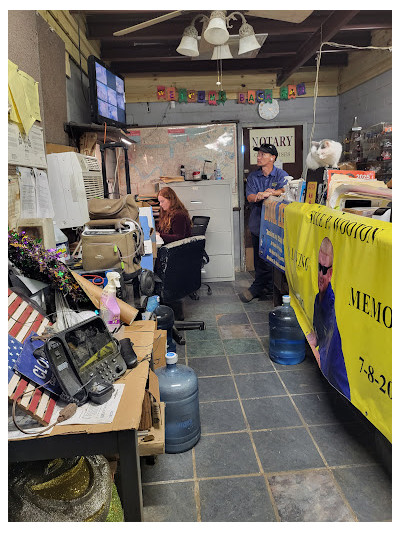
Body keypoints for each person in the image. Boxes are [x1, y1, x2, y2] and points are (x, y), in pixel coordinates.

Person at [239, 144, 288, 303]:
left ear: (272, 158)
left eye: (262, 154)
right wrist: (258, 196)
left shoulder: (281, 175)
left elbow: (286, 190)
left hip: (276, 226)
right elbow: (250, 197)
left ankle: (260, 287)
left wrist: (273, 192)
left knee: (273, 258)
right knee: (260, 258)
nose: (258, 157)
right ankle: (262, 286)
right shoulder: (253, 177)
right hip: (257, 224)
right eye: (258, 154)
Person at [307, 237, 351, 400]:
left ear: (331, 273)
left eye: (325, 270)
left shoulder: (332, 307)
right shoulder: (318, 298)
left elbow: (328, 361)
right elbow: (318, 338)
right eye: (319, 268)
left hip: (340, 391)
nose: (321, 274)